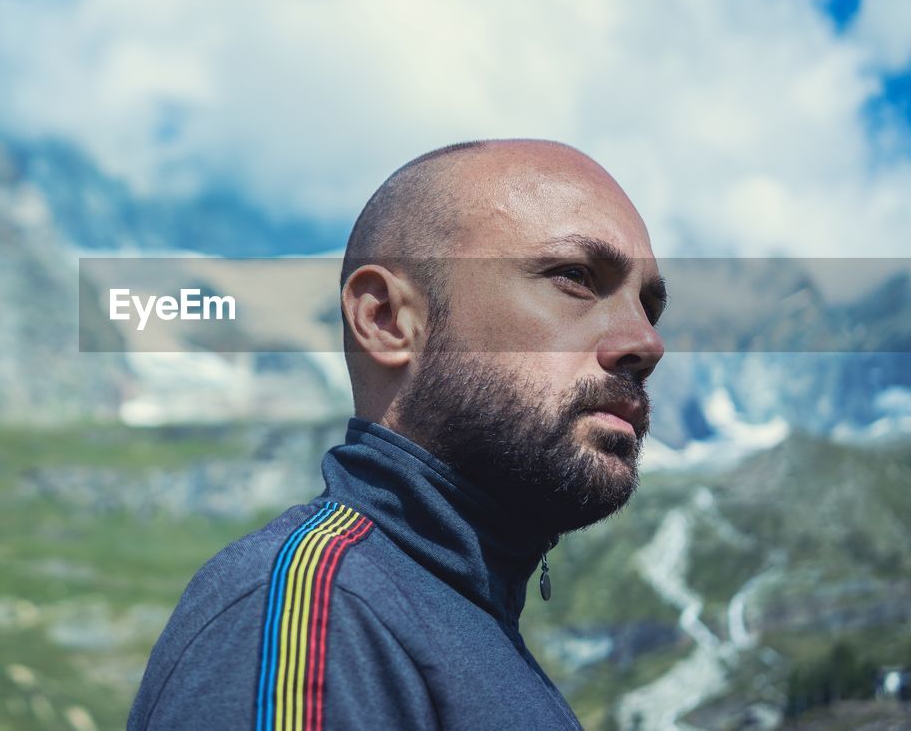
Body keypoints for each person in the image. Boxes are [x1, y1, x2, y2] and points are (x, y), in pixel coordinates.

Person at [128, 139, 668, 730]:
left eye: (648, 307)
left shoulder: (445, 624)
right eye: (576, 277)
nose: (646, 343)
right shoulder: (317, 614)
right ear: (386, 319)